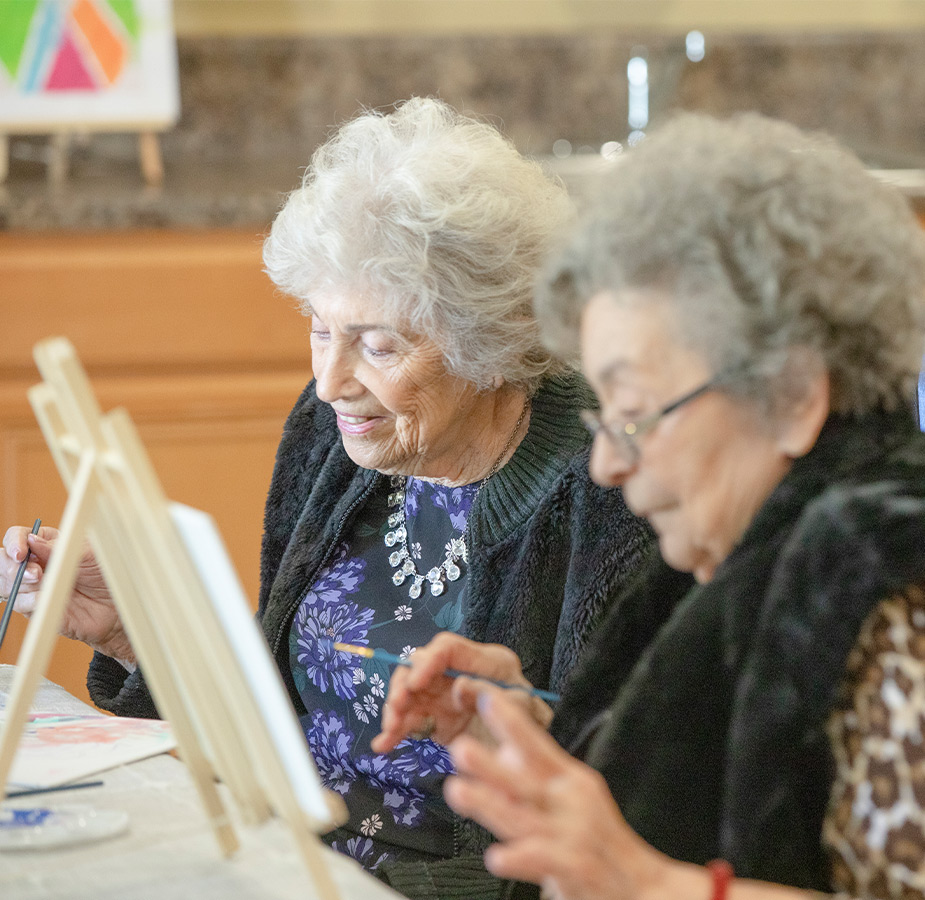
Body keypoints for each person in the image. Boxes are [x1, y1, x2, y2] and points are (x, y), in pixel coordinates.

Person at [0, 98, 651, 891]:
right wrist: (136, 634)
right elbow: (273, 711)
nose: (329, 381)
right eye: (318, 327)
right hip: (286, 860)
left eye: (378, 344)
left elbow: (630, 805)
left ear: (490, 342)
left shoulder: (614, 495)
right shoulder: (334, 439)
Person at [374, 112, 925, 900]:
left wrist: (643, 885)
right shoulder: (736, 551)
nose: (603, 463)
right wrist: (532, 738)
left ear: (793, 395)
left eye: (635, 413)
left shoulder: (892, 592)